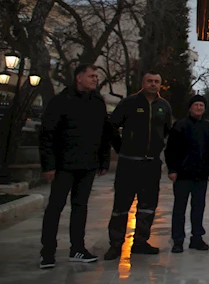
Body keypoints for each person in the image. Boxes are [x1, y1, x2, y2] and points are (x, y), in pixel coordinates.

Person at [39, 64, 112, 269]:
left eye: (96, 76)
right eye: (91, 76)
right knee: (55, 207)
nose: (95, 79)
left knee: (80, 208)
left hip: (87, 165)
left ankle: (77, 249)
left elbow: (104, 134)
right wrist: (48, 166)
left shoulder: (97, 102)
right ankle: (47, 252)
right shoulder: (61, 101)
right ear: (79, 78)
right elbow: (47, 135)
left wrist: (103, 161)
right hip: (64, 165)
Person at [105, 71, 172, 260]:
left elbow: (167, 131)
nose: (153, 84)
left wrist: (159, 149)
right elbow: (111, 126)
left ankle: (141, 242)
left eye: (156, 81)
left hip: (151, 164)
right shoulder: (129, 103)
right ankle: (116, 244)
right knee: (121, 205)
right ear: (143, 82)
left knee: (148, 205)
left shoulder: (164, 106)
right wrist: (121, 148)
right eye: (150, 81)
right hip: (129, 163)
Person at [165, 95, 209, 253]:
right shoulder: (180, 125)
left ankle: (197, 238)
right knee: (180, 208)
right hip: (182, 175)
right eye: (196, 105)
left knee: (198, 207)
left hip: (201, 175)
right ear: (190, 107)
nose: (199, 108)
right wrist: (172, 169)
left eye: (201, 105)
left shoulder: (208, 126)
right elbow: (170, 149)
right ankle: (178, 240)